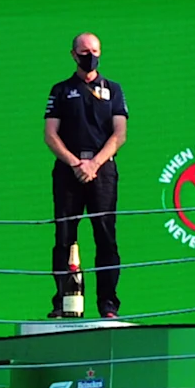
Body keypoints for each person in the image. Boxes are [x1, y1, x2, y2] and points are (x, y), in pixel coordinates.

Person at [45, 33, 127, 320]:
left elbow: (119, 134)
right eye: (83, 51)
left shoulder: (113, 89)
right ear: (73, 54)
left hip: (103, 170)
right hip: (69, 171)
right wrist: (75, 163)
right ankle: (61, 303)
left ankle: (108, 305)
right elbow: (50, 134)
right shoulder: (60, 90)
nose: (88, 55)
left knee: (105, 237)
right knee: (64, 236)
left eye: (93, 51)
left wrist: (94, 164)